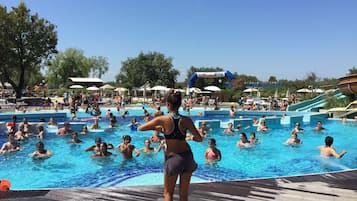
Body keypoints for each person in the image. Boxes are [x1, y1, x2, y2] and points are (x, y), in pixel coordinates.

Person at [138, 90, 203, 201]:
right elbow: (199, 138)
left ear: (168, 105)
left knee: (168, 193)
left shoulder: (163, 119)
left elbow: (141, 128)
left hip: (173, 158)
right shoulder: (186, 120)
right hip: (187, 157)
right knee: (184, 194)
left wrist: (158, 128)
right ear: (180, 104)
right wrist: (190, 137)